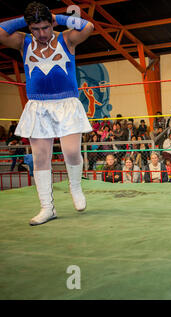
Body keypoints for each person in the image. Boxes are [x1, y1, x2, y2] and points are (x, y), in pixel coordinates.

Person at [0, 2, 94, 225]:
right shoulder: (23, 42)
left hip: (66, 103)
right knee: (40, 158)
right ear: (29, 28)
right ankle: (47, 207)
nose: (41, 34)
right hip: (38, 106)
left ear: (50, 24)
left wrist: (57, 18)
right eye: (35, 29)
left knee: (71, 152)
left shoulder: (66, 39)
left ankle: (75, 186)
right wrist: (26, 20)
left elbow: (88, 26)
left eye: (45, 27)